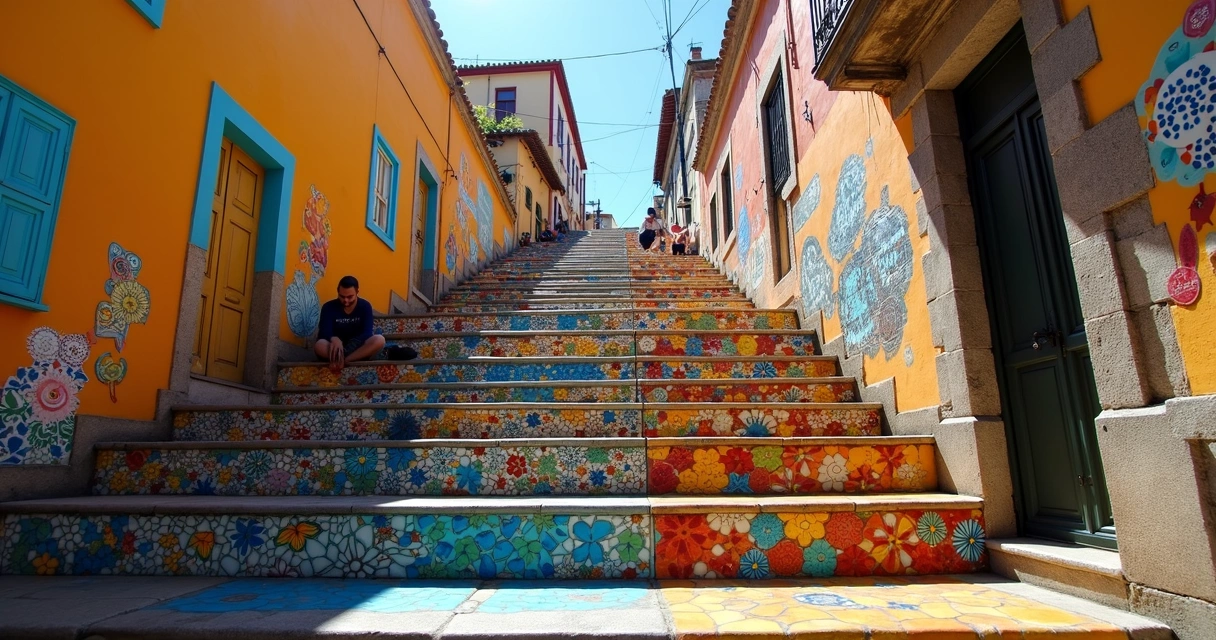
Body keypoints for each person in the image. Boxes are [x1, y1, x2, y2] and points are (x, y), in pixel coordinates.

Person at [315, 275, 387, 371]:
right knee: (319, 345)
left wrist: (350, 348)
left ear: (357, 292)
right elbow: (324, 332)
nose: (346, 300)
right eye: (342, 296)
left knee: (379, 339)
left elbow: (367, 333)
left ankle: (346, 360)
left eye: (350, 297)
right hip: (335, 348)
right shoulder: (328, 307)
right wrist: (334, 339)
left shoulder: (365, 306)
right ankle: (341, 358)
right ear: (338, 291)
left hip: (357, 348)